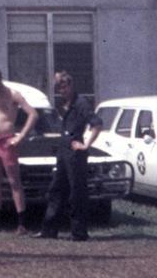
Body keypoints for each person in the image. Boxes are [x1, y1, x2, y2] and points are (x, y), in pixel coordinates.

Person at [34, 71, 103, 242]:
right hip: (63, 151)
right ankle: (49, 229)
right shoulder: (64, 104)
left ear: (71, 85)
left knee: (77, 192)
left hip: (75, 152)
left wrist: (86, 145)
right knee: (56, 189)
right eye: (59, 88)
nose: (62, 91)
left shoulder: (81, 103)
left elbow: (97, 124)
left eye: (64, 87)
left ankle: (79, 232)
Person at [0, 64, 38, 234]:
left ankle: (22, 223)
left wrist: (20, 136)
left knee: (13, 181)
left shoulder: (12, 94)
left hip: (7, 141)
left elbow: (32, 114)